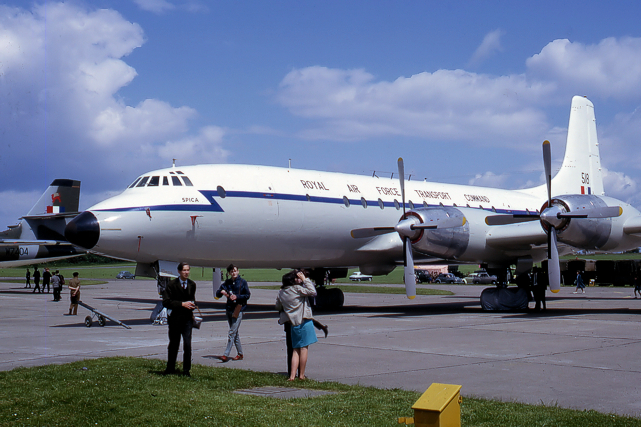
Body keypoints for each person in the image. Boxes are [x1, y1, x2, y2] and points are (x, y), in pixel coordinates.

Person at [276, 270, 318, 381]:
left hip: (293, 323)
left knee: (295, 349)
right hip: (304, 321)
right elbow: (312, 291)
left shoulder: (281, 292)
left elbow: (278, 307)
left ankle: (291, 376)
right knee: (304, 349)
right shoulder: (297, 289)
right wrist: (305, 279)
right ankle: (301, 375)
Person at [162, 262, 197, 376]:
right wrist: (182, 304)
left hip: (187, 320)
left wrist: (192, 305)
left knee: (187, 344)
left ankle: (186, 370)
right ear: (179, 271)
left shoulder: (192, 284)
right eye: (184, 270)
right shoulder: (171, 285)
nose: (186, 272)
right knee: (174, 344)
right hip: (175, 319)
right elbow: (166, 302)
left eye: (188, 270)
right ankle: (170, 368)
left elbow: (192, 299)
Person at [215, 264, 250, 362]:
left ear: (238, 271)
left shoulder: (243, 282)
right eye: (231, 271)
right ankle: (240, 353)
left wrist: (237, 297)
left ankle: (225, 355)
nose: (233, 273)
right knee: (235, 333)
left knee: (231, 332)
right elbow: (218, 293)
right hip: (229, 309)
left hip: (238, 310)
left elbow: (247, 295)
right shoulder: (227, 283)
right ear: (229, 273)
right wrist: (221, 292)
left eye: (235, 271)